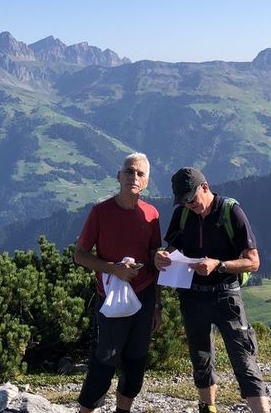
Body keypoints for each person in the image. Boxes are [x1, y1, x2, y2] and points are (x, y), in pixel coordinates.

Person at [154, 167, 270, 413]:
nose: (189, 205)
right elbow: (171, 251)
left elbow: (253, 262)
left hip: (226, 294)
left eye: (192, 200)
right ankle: (208, 408)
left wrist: (219, 265)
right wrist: (161, 258)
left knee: (243, 359)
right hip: (192, 295)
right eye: (184, 202)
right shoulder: (182, 215)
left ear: (204, 188)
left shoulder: (231, 212)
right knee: (201, 359)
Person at [74, 152, 162, 413]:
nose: (133, 177)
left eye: (140, 173)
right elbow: (80, 255)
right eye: (129, 171)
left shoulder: (152, 214)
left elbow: (154, 259)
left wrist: (157, 305)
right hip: (110, 298)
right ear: (119, 176)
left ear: (146, 182)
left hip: (144, 297)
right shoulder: (100, 212)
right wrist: (114, 269)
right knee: (104, 362)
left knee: (136, 363)